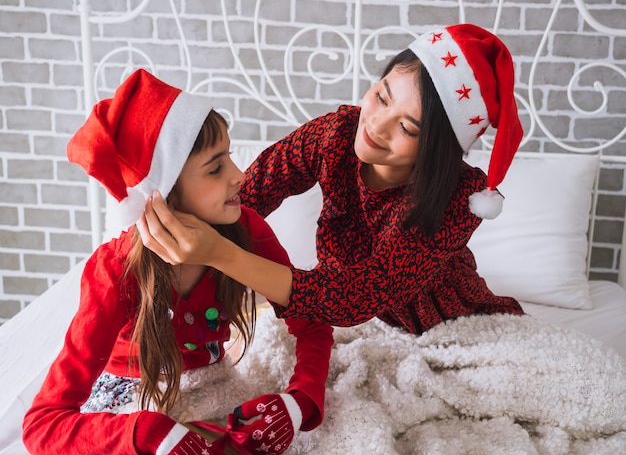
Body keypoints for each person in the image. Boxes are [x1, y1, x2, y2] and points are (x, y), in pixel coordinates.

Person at [137, 23, 525, 335]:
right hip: (364, 321)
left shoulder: (457, 200)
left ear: (438, 149)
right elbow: (252, 192)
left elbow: (353, 297)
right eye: (382, 97)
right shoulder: (337, 133)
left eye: (407, 127)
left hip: (449, 326)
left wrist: (220, 253)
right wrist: (173, 229)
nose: (376, 124)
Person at [22, 69, 333, 455]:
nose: (239, 176)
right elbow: (41, 424)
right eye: (215, 167)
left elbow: (312, 320)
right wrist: (148, 431)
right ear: (163, 194)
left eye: (230, 157)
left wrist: (300, 400)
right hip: (133, 402)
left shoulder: (246, 229)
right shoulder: (114, 271)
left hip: (214, 384)